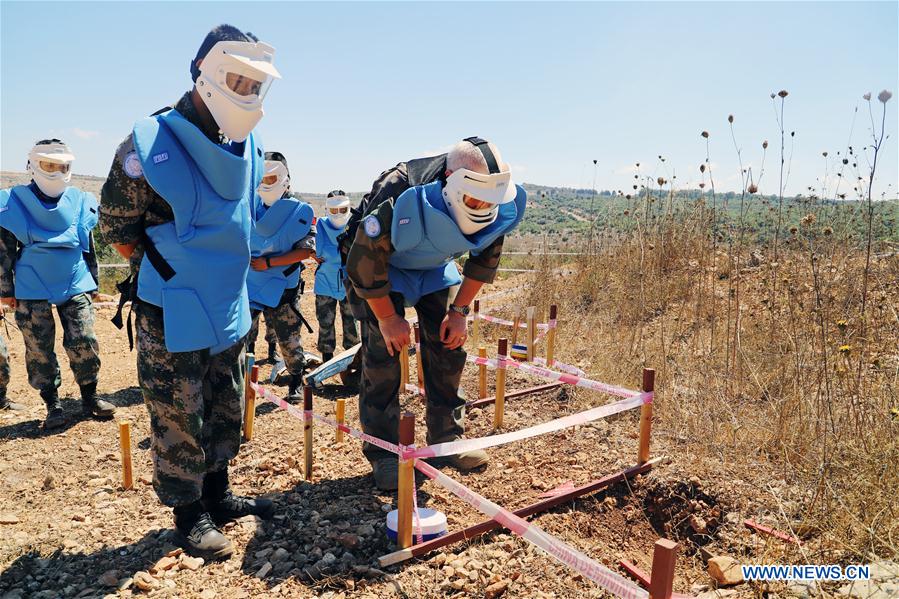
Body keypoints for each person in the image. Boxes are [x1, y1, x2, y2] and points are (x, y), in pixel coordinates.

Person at [99, 24, 280, 560]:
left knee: (224, 399)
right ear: (204, 75)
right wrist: (175, 267)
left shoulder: (252, 145)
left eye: (256, 85)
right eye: (237, 81)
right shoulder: (149, 144)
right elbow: (116, 227)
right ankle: (188, 513)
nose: (246, 94)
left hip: (229, 299)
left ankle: (219, 493)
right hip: (171, 302)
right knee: (179, 410)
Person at [346, 137, 527, 490]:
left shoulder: (498, 204)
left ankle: (446, 440)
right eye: (474, 199)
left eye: (490, 201)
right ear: (449, 179)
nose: (482, 207)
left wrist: (459, 311)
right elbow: (364, 261)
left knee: (449, 347)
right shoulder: (398, 188)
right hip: (380, 269)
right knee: (384, 354)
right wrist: (387, 318)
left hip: (433, 267)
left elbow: (484, 258)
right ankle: (383, 451)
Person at [0, 139, 113, 428]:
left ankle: (90, 397)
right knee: (38, 347)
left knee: (84, 340)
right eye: (49, 165)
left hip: (74, 277)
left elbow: (88, 246)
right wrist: (5, 291)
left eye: (62, 166)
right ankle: (53, 404)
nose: (56, 171)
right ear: (33, 165)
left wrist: (95, 283)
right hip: (31, 283)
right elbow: (4, 251)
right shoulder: (12, 202)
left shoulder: (81, 199)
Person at [246, 151, 315, 400]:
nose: (266, 183)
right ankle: (245, 383)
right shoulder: (250, 208)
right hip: (251, 284)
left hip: (283, 287)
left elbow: (305, 251)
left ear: (285, 178)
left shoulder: (300, 212)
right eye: (262, 178)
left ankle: (296, 381)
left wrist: (269, 262)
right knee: (244, 335)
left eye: (272, 178)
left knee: (289, 338)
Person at [314, 190, 360, 365]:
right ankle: (327, 362)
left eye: (342, 210)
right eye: (334, 210)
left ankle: (352, 363)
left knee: (352, 324)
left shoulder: (355, 224)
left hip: (350, 282)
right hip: (327, 283)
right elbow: (315, 250)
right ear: (327, 209)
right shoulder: (320, 225)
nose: (338, 214)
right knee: (326, 322)